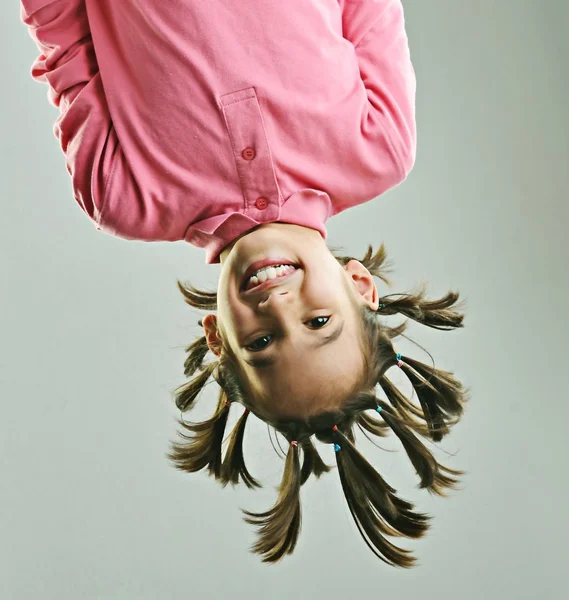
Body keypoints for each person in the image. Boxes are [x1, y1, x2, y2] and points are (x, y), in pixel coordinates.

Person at [21, 0, 469, 567]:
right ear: (359, 286)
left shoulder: (122, 195)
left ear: (216, 335)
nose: (279, 308)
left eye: (260, 344)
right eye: (318, 323)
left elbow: (62, 33)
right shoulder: (381, 146)